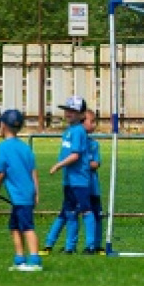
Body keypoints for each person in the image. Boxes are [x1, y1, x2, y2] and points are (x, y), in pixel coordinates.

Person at [0, 109, 42, 272]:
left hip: (20, 197)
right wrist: (36, 192)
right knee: (14, 226)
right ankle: (19, 259)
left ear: (3, 126)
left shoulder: (3, 148)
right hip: (26, 194)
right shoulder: (25, 148)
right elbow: (33, 171)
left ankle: (35, 260)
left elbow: (0, 174)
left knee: (27, 227)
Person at [45, 96, 96, 254]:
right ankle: (69, 247)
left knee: (86, 210)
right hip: (69, 179)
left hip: (79, 179)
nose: (68, 113)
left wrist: (58, 165)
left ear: (81, 115)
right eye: (67, 110)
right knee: (70, 212)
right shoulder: (69, 131)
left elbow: (76, 155)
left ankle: (90, 245)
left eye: (73, 111)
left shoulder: (79, 132)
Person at [84, 109, 104, 253]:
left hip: (93, 186)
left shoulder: (94, 144)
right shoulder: (76, 142)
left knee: (97, 214)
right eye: (91, 121)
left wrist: (86, 164)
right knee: (71, 215)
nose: (94, 125)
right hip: (80, 186)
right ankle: (70, 246)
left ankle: (97, 244)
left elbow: (96, 163)